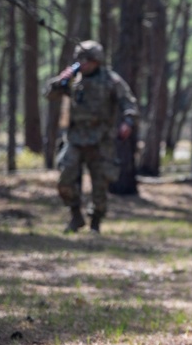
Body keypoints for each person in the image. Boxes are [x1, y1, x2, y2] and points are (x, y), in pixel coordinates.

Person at [45, 40, 138, 234]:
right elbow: (50, 95)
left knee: (100, 184)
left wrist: (128, 122)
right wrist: (60, 80)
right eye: (79, 60)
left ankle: (95, 222)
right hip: (75, 138)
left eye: (86, 60)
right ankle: (75, 216)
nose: (82, 64)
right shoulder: (73, 79)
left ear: (97, 61)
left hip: (100, 140)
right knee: (65, 178)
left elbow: (128, 102)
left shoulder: (111, 80)